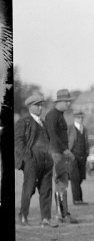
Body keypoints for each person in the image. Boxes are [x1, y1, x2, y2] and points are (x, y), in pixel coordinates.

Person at [15, 93, 57, 227]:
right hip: (32, 161)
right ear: (30, 107)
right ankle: (23, 216)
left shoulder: (43, 123)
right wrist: (28, 158)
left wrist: (50, 157)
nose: (40, 108)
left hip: (46, 161)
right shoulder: (23, 121)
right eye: (37, 105)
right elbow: (18, 141)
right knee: (28, 189)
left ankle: (46, 218)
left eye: (41, 105)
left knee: (46, 190)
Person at [44, 88, 79, 224]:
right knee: (61, 183)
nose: (68, 104)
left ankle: (63, 213)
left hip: (59, 153)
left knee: (62, 183)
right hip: (56, 154)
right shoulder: (52, 115)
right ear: (59, 101)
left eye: (69, 102)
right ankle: (61, 214)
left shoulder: (58, 114)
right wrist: (65, 150)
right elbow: (53, 136)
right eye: (66, 102)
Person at [68, 110, 90, 205]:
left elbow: (86, 142)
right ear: (75, 118)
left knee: (80, 177)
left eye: (82, 118)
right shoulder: (69, 128)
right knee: (75, 178)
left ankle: (79, 199)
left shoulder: (84, 129)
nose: (80, 119)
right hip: (73, 156)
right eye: (78, 118)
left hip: (83, 156)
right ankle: (76, 199)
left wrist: (87, 154)